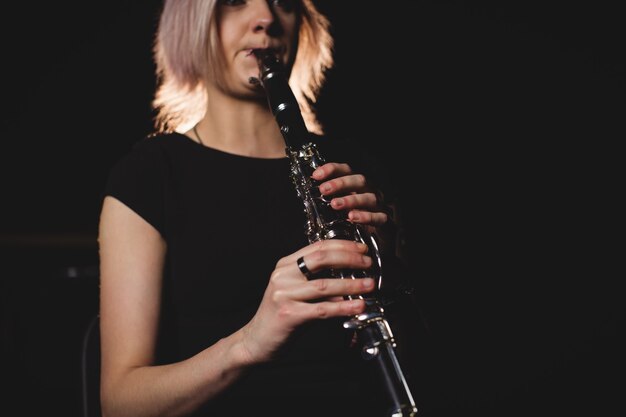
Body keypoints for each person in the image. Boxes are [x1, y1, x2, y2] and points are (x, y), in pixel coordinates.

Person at [97, 1, 419, 416]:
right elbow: (120, 405)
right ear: (191, 22)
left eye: (284, 3)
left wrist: (388, 269)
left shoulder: (357, 173)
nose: (266, 18)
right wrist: (249, 343)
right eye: (234, 2)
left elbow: (419, 358)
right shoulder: (146, 176)